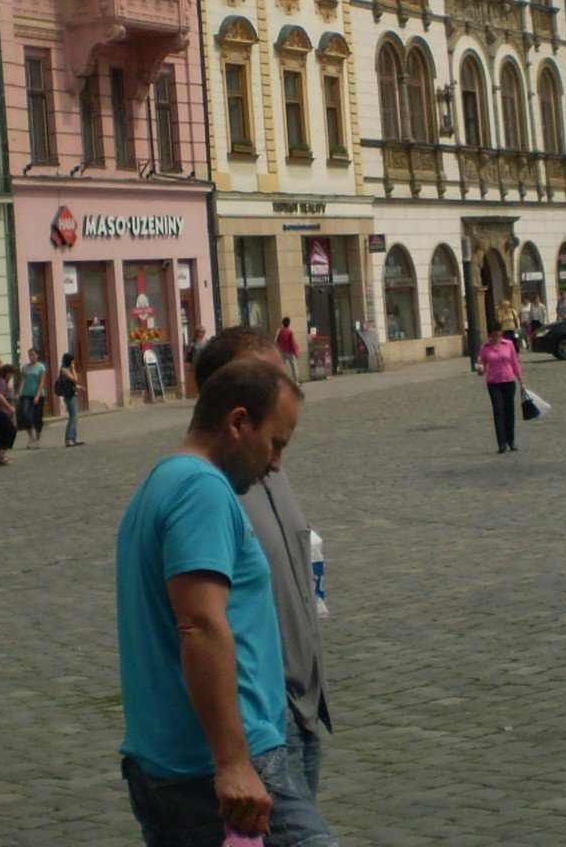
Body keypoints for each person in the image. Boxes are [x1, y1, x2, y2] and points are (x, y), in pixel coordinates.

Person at [115, 357, 334, 847]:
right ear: (238, 422)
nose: (277, 463)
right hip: (216, 767)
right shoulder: (202, 490)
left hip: (167, 766)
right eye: (275, 443)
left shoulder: (161, 482)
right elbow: (199, 623)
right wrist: (234, 763)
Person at [192, 329, 331, 803]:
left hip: (304, 707)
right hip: (265, 719)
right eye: (270, 376)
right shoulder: (209, 488)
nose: (285, 385)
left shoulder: (269, 465)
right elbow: (200, 622)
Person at [480, 313, 525, 454]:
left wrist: (521, 381)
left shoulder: (509, 344)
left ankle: (511, 440)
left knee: (509, 411)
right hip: (493, 383)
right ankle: (501, 443)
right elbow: (482, 365)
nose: (495, 338)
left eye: (497, 335)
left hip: (509, 380)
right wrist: (480, 370)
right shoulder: (485, 348)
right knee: (498, 411)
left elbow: (514, 362)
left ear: (501, 333)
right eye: (492, 336)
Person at [19, 351, 49, 448]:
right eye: (30, 355)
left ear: (37, 355)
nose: (31, 356)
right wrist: (19, 392)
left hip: (38, 395)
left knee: (37, 417)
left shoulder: (41, 367)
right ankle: (30, 437)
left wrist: (38, 395)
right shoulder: (25, 367)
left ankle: (38, 439)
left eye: (33, 354)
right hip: (27, 394)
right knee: (26, 415)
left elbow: (42, 382)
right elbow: (23, 380)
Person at [57, 351, 83, 447]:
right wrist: (73, 370)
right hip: (69, 396)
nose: (73, 363)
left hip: (73, 394)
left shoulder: (66, 369)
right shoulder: (64, 370)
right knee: (72, 417)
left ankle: (73, 438)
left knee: (75, 417)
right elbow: (74, 379)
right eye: (72, 361)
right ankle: (68, 439)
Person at [275, 318, 302, 383]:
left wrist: (280, 348)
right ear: (289, 323)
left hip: (283, 351)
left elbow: (278, 341)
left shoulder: (280, 332)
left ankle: (283, 380)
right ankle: (296, 381)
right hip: (290, 352)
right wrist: (296, 352)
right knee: (294, 366)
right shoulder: (290, 332)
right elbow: (292, 343)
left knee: (283, 366)